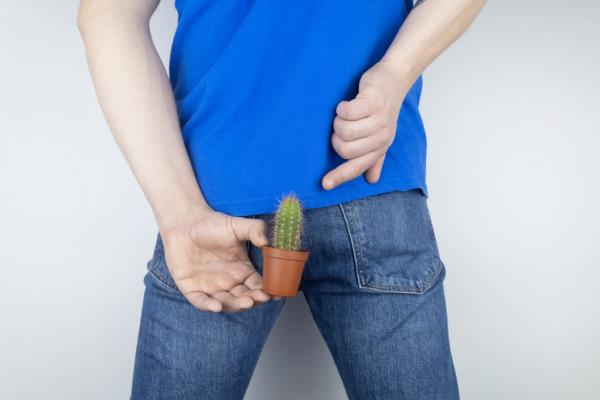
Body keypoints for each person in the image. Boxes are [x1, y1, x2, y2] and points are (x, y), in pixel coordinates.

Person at [78, 0, 485, 398]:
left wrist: (179, 213)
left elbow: (108, 13)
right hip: (354, 186)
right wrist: (394, 73)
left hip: (217, 200)